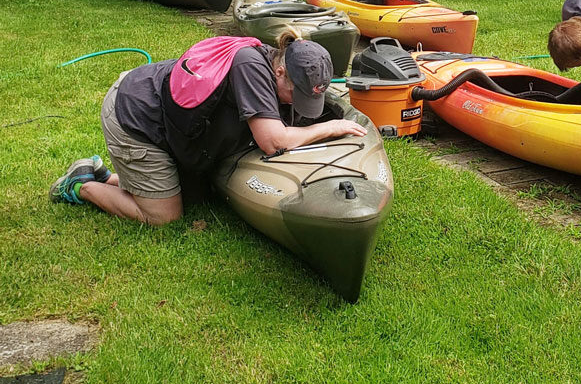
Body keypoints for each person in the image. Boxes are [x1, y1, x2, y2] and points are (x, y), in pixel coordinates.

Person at [49, 34, 366, 225]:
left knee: (193, 196)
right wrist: (331, 127)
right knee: (163, 216)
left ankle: (102, 176)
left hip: (162, 115)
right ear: (280, 71)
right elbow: (273, 141)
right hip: (135, 117)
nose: (294, 104)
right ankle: (79, 187)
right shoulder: (251, 66)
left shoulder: (277, 67)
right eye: (293, 95)